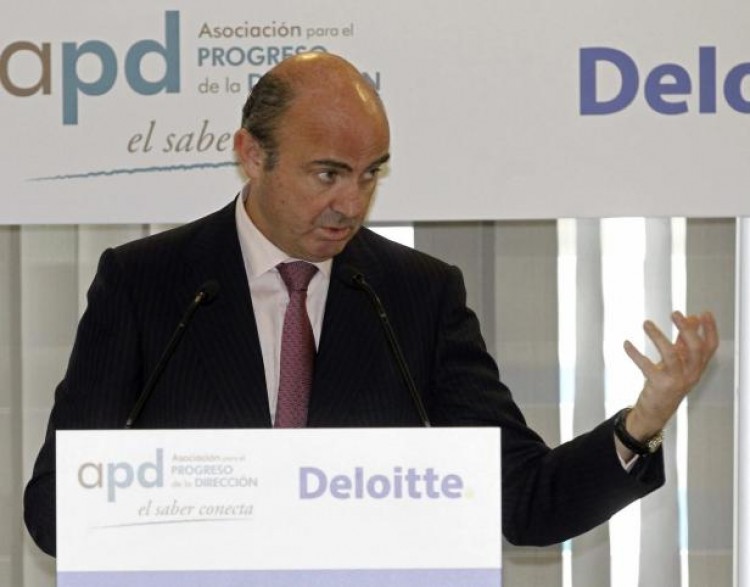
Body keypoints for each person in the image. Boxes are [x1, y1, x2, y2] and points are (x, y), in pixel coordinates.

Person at [23, 52, 718, 557]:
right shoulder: (148, 284)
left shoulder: (415, 295)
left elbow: (525, 500)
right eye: (327, 174)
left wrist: (642, 423)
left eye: (369, 175)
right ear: (251, 155)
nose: (350, 204)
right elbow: (54, 510)